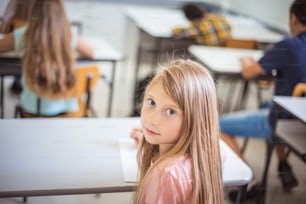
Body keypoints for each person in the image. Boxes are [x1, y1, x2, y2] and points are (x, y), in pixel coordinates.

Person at [220, 0, 306, 201]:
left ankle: (249, 183)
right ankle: (283, 165)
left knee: (216, 125)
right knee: (266, 105)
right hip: (301, 120)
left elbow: (250, 72)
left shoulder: (288, 45)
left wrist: (245, 60)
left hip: (284, 123)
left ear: (293, 18)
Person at [130, 59, 224, 203]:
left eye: (170, 111)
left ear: (195, 119)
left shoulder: (165, 175)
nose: (153, 120)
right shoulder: (207, 156)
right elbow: (221, 152)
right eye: (151, 103)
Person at [0, 0, 94, 116]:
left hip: (32, 109)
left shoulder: (24, 35)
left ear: (34, 12)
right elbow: (90, 53)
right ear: (62, 13)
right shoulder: (70, 35)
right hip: (67, 110)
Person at [0, 0, 34, 93]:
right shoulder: (68, 35)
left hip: (17, 46)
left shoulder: (15, 1)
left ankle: (19, 82)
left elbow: (4, 27)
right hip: (42, 72)